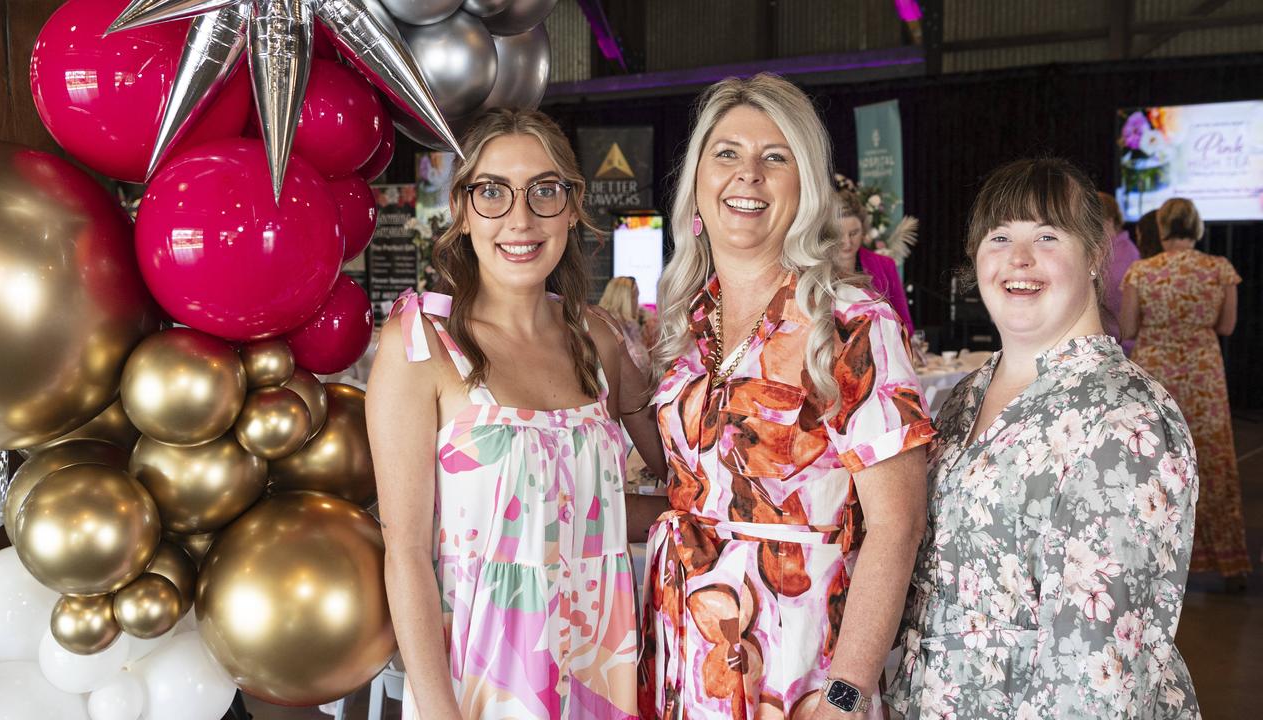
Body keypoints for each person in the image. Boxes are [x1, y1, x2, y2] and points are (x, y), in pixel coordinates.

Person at [638, 73, 934, 720]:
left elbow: (898, 523)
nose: (748, 175)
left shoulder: (851, 322)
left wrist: (847, 693)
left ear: (804, 187)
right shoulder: (684, 328)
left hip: (801, 666)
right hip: (686, 650)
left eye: (775, 158)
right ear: (697, 182)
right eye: (727, 154)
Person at [367, 108, 664, 720]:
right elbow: (406, 554)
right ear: (463, 208)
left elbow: (636, 492)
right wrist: (440, 710)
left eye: (544, 191)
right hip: (484, 680)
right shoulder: (422, 342)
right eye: (493, 192)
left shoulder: (598, 339)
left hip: (598, 665)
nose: (520, 219)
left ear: (573, 205)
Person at [888, 159, 1200, 718]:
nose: (1019, 258)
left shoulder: (1125, 418)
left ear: (1095, 256)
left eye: (1047, 236)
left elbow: (1097, 668)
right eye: (1000, 236)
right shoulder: (963, 398)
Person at [1121, 197, 1250, 588]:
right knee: (1212, 461)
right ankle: (1230, 564)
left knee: (1154, 465)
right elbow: (1226, 326)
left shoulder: (1142, 272)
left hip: (1156, 375)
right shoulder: (1219, 270)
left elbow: (1127, 328)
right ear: (1196, 227)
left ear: (1161, 228)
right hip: (1203, 374)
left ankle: (1149, 562)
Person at [833, 189, 915, 335]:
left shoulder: (885, 265)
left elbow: (906, 323)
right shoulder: (816, 269)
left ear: (864, 230)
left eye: (853, 233)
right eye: (839, 235)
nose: (847, 242)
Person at [1097, 192, 1140, 355]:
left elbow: (1104, 297)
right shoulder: (1112, 250)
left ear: (1109, 221)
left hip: (1118, 348)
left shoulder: (1124, 254)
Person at [598, 276, 651, 370]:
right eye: (635, 297)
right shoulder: (609, 326)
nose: (638, 302)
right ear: (624, 299)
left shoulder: (630, 326)